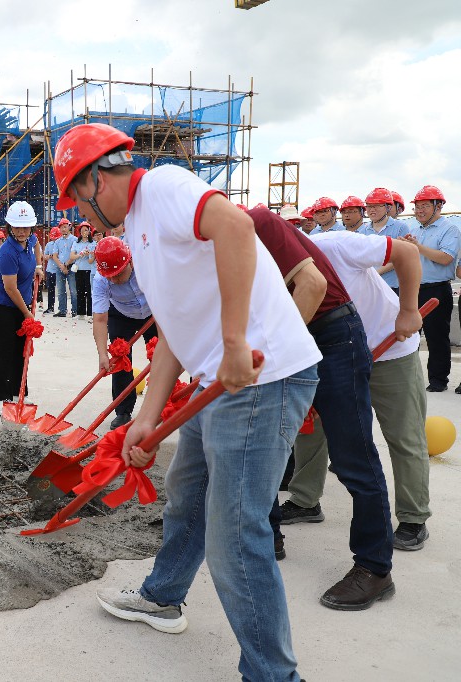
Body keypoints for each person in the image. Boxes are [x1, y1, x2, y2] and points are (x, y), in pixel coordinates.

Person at [54, 122, 320, 681]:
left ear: (98, 179)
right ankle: (164, 596)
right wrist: (146, 420)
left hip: (256, 379)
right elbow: (173, 328)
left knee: (236, 540)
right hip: (212, 383)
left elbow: (235, 226)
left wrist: (232, 344)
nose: (80, 214)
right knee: (186, 494)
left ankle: (274, 675)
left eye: (77, 199)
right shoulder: (139, 231)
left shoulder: (167, 187)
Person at [249, 208, 409, 611]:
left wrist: (276, 358)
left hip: (332, 335)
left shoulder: (257, 223)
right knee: (262, 443)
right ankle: (268, 536)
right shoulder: (201, 252)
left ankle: (375, 567)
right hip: (284, 336)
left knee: (353, 455)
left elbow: (313, 286)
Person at [290, 229, 430, 551]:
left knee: (403, 435)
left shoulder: (335, 245)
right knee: (313, 427)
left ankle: (413, 517)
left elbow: (406, 254)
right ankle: (305, 500)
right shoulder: (270, 271)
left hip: (389, 348)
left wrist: (408, 309)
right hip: (334, 354)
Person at [90, 237, 156, 429]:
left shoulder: (148, 265)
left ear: (130, 262)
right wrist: (102, 354)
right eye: (110, 276)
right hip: (121, 313)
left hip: (153, 311)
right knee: (120, 359)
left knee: (161, 356)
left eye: (118, 274)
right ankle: (123, 411)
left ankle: (160, 405)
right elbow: (100, 319)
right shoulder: (101, 280)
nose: (114, 280)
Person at [399, 186, 459, 392]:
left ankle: (438, 380)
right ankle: (409, 378)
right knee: (409, 336)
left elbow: (446, 259)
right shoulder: (414, 231)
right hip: (413, 289)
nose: (419, 210)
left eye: (425, 205)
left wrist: (417, 247)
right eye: (417, 206)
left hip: (437, 290)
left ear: (439, 206)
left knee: (436, 336)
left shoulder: (450, 229)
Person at [0, 201, 44, 414]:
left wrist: (38, 266)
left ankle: (19, 393)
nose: (21, 232)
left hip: (22, 307)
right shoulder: (7, 252)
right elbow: (11, 289)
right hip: (3, 308)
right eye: (17, 227)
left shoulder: (31, 241)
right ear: (10, 227)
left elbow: (38, 245)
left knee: (22, 352)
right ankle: (1, 398)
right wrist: (28, 313)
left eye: (26, 227)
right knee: (5, 351)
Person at [361, 188, 413, 290]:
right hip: (369, 286)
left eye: (376, 206)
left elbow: (400, 257)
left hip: (393, 285)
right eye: (369, 206)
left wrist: (376, 272)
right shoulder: (363, 230)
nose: (371, 210)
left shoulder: (400, 227)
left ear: (388, 207)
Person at [51, 218, 78, 317]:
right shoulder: (57, 242)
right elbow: (54, 255)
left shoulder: (75, 240)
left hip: (71, 267)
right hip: (60, 267)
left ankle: (75, 311)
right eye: (61, 227)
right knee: (61, 290)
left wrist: (66, 265)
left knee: (73, 291)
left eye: (65, 227)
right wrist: (62, 266)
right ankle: (62, 310)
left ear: (69, 227)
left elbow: (74, 254)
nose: (63, 229)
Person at [71, 221, 95, 320]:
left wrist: (89, 254)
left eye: (86, 230)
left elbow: (92, 258)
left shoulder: (93, 243)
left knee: (89, 292)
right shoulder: (76, 243)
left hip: (89, 270)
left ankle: (90, 313)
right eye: (82, 230)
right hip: (79, 270)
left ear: (89, 231)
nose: (84, 232)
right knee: (80, 291)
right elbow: (72, 256)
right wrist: (80, 254)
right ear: (79, 232)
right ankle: (81, 313)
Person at [42, 225, 61, 313]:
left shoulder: (61, 244)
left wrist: (56, 257)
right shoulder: (49, 245)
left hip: (59, 269)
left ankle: (62, 309)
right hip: (50, 270)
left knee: (61, 290)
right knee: (51, 289)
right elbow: (44, 256)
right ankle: (50, 307)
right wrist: (50, 256)